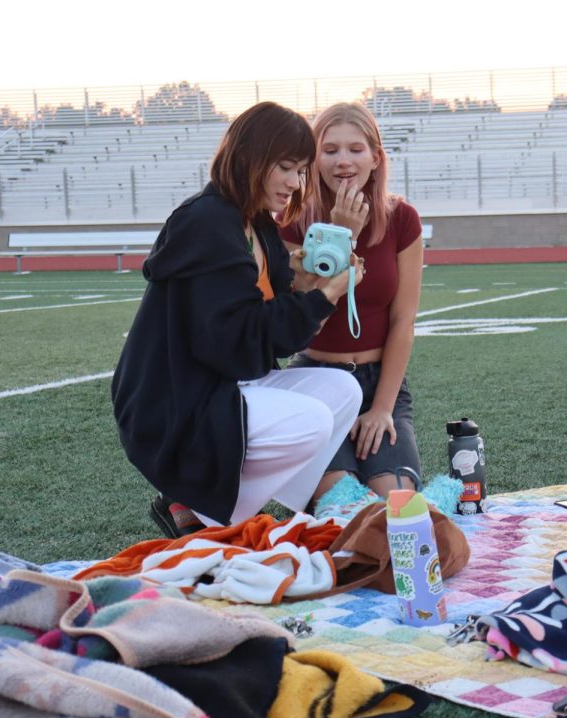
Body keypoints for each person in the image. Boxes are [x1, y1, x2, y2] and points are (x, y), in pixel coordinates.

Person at [112, 101, 365, 538]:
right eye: (286, 167)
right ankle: (206, 519)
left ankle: (303, 508)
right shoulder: (207, 222)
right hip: (174, 403)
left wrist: (305, 287)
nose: (295, 182)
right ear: (250, 157)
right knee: (311, 421)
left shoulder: (256, 222)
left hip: (224, 381)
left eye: (302, 170)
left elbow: (274, 339)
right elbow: (236, 339)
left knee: (342, 388)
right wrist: (322, 297)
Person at [280, 102, 425, 501]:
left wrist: (381, 409)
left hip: (379, 381)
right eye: (330, 151)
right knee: (342, 504)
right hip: (316, 379)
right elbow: (304, 321)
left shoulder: (402, 219)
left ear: (376, 157)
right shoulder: (293, 222)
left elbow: (403, 321)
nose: (343, 161)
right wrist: (342, 237)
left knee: (396, 501)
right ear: (314, 160)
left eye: (355, 149)